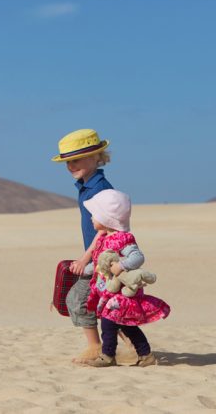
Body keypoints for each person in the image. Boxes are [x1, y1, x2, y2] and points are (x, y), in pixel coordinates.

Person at [83, 189, 170, 367]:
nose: (91, 219)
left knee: (108, 324)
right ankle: (145, 355)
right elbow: (101, 263)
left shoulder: (123, 239)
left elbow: (138, 257)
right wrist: (86, 270)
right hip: (107, 292)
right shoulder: (103, 239)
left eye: (95, 215)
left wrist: (121, 266)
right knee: (125, 324)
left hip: (121, 294)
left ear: (107, 218)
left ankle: (108, 356)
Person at [51, 128, 113, 364]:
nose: (70, 166)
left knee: (79, 299)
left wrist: (86, 259)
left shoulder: (100, 189)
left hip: (107, 258)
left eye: (75, 160)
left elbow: (105, 229)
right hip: (98, 257)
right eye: (67, 161)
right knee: (107, 304)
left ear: (97, 156)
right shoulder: (86, 186)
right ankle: (127, 348)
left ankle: (95, 347)